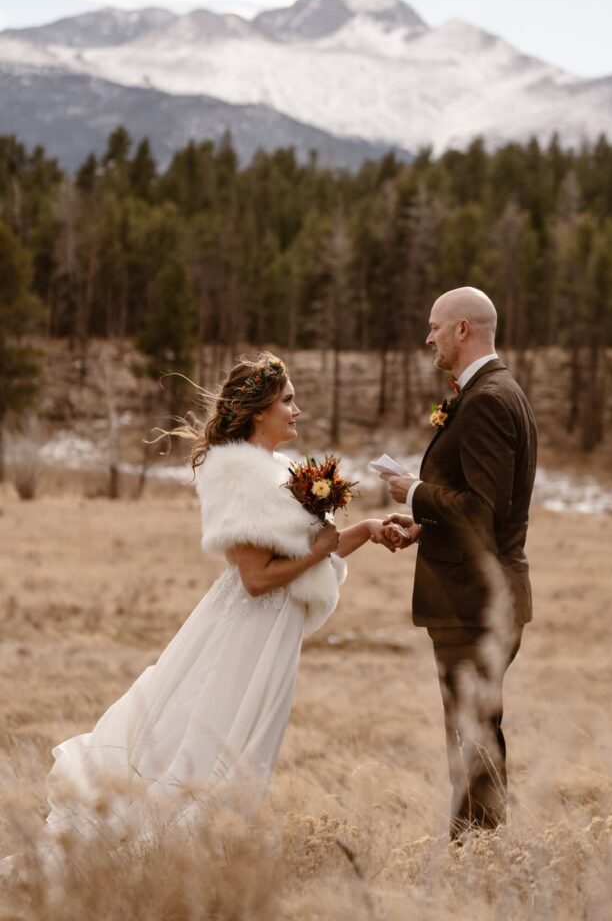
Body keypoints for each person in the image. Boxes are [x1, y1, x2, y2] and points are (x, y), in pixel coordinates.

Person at [32, 353, 393, 851]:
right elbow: (256, 579)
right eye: (288, 400)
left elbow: (312, 552)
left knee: (249, 745)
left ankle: (211, 852)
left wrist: (368, 531)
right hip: (245, 634)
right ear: (260, 411)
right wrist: (318, 550)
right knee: (212, 737)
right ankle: (168, 849)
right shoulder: (238, 474)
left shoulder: (280, 470)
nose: (298, 409)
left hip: (275, 636)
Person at [381, 287, 537, 840]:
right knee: (474, 734)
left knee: (472, 740)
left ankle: (478, 857)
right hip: (479, 597)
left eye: (434, 327)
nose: (428, 338)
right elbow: (480, 509)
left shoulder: (490, 400)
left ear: (463, 329)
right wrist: (427, 526)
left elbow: (483, 512)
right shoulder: (497, 391)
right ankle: (483, 855)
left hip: (475, 602)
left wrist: (414, 492)